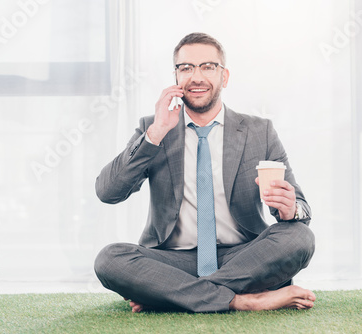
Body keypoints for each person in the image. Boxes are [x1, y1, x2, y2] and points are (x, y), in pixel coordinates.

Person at [94, 32, 315, 313]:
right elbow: (108, 192)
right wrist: (156, 133)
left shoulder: (259, 131)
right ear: (176, 78)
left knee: (300, 238)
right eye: (186, 68)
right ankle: (244, 300)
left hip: (244, 258)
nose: (196, 76)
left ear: (224, 77)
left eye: (208, 67)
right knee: (109, 259)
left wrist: (289, 209)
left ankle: (171, 295)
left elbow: (302, 209)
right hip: (174, 260)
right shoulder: (154, 128)